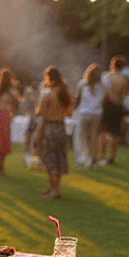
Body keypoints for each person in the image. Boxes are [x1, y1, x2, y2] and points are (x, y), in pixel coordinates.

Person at [34, 66, 73, 199]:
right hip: (61, 128)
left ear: (49, 78)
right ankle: (55, 188)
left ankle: (54, 191)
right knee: (59, 159)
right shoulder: (65, 94)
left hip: (49, 128)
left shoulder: (48, 95)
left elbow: (43, 116)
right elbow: (69, 112)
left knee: (49, 160)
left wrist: (37, 134)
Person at [98, 55, 129, 164]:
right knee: (115, 134)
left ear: (112, 65)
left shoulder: (106, 77)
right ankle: (112, 157)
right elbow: (124, 95)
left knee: (103, 132)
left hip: (106, 105)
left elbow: (101, 92)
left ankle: (102, 156)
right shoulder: (123, 80)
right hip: (117, 106)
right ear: (122, 67)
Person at [73, 63, 104, 168]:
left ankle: (85, 159)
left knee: (83, 138)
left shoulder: (82, 84)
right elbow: (103, 100)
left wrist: (73, 110)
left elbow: (77, 99)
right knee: (94, 138)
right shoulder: (101, 85)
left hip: (84, 113)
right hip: (96, 114)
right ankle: (94, 160)